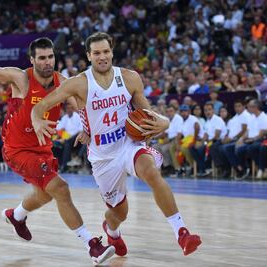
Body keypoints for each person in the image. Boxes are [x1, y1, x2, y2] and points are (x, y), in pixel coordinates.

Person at [32, 32, 202, 257]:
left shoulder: (130, 78)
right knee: (119, 213)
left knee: (150, 171)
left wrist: (164, 122)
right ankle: (112, 231)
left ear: (112, 52)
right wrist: (37, 120)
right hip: (103, 156)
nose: (102, 57)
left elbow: (148, 114)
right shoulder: (79, 83)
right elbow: (40, 106)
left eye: (105, 51)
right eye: (96, 53)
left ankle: (181, 232)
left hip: (128, 144)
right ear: (88, 56)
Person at [0, 20, 114, 265]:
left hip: (42, 148)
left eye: (50, 57)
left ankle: (17, 215)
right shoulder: (20, 79)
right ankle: (92, 246)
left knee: (45, 195)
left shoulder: (63, 82)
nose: (47, 62)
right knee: (61, 189)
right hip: (17, 149)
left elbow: (83, 108)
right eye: (42, 58)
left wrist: (88, 129)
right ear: (32, 61)